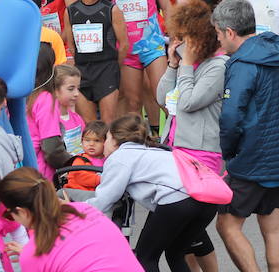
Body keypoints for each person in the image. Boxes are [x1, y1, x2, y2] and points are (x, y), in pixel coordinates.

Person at [211, 0, 279, 272]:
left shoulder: (242, 64)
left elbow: (230, 117)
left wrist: (229, 152)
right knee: (272, 229)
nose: (218, 40)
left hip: (255, 158)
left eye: (218, 33)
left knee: (227, 223)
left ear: (229, 32)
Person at [88, 114, 218, 272]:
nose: (104, 144)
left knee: (145, 258)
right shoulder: (155, 151)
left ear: (116, 140)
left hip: (177, 201)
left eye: (106, 138)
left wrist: (73, 207)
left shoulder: (121, 156)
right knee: (175, 253)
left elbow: (104, 200)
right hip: (207, 200)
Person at [159, 0, 227, 272]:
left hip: (200, 155)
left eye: (185, 38)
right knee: (186, 236)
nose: (181, 44)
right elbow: (163, 98)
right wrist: (173, 65)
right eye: (178, 38)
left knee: (188, 234)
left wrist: (186, 65)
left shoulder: (217, 66)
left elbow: (189, 101)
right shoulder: (185, 63)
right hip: (174, 151)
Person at [0, 166, 143, 272]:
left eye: (9, 215)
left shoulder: (34, 254)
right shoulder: (84, 209)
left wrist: (31, 255)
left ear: (21, 212)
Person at [105, 0, 171, 122]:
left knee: (163, 98)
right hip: (126, 49)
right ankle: (140, 143)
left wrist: (173, 36)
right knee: (133, 103)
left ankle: (173, 141)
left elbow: (167, 7)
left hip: (152, 45)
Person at [67, 0, 128, 123]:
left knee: (107, 122)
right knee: (89, 123)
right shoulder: (71, 11)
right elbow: (71, 46)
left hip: (106, 69)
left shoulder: (111, 9)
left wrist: (114, 66)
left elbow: (123, 45)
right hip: (82, 72)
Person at [27, 64, 86, 181]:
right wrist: (75, 165)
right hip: (50, 175)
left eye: (78, 88)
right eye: (71, 88)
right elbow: (52, 150)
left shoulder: (77, 118)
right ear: (55, 89)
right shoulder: (48, 111)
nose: (76, 93)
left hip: (73, 173)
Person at [64, 120, 108, 192]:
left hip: (95, 194)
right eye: (87, 140)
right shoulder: (80, 159)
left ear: (106, 142)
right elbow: (80, 177)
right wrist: (102, 179)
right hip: (76, 192)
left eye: (97, 140)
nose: (91, 144)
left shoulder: (107, 159)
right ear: (82, 141)